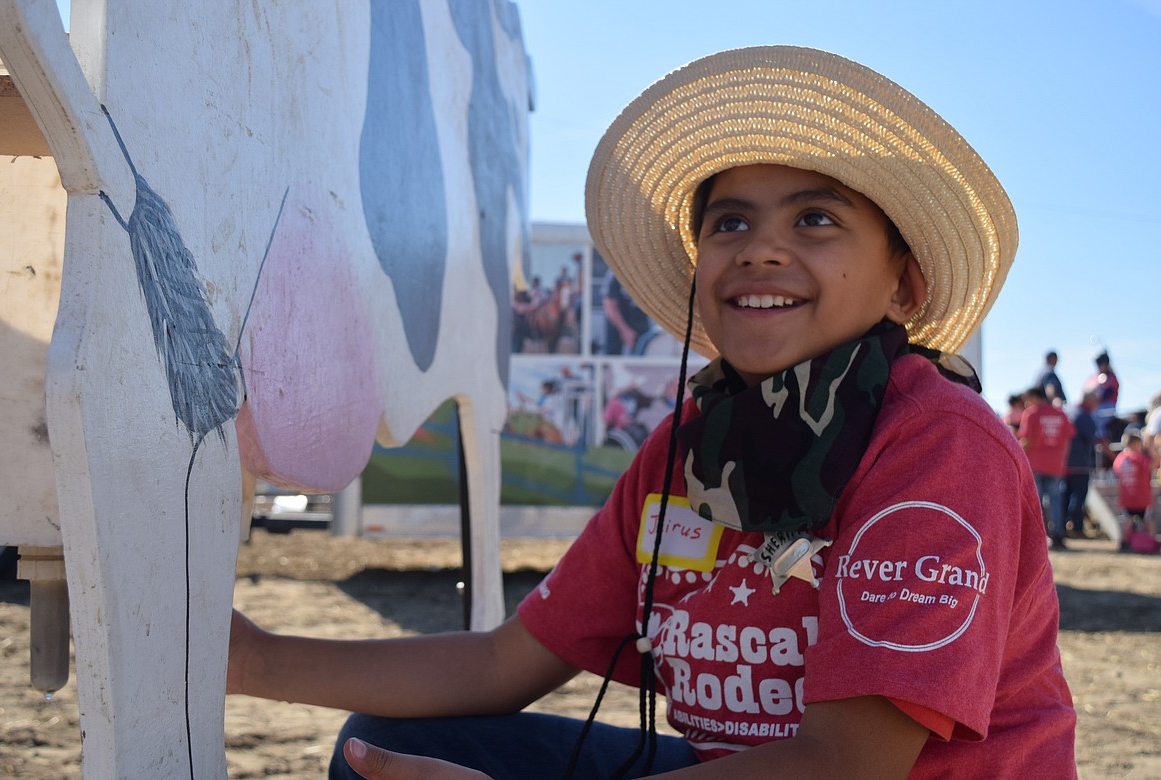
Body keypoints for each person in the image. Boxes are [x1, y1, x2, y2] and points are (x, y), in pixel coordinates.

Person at [227, 46, 1077, 778]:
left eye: (815, 218)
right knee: (377, 747)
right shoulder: (691, 443)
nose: (760, 247)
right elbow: (502, 661)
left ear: (904, 285)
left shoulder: (939, 442)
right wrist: (253, 657)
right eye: (729, 221)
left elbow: (844, 764)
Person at [1018, 386, 1076, 549]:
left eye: (1028, 400)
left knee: (1034, 502)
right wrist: (1062, 460)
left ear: (1034, 397)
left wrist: (1015, 450)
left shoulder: (1031, 414)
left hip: (1035, 464)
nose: (1027, 404)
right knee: (1055, 501)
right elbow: (1067, 440)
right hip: (1055, 464)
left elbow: (1027, 441)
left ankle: (1036, 537)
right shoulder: (1060, 414)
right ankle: (1057, 534)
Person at [1061, 391, 1104, 538]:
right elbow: (1096, 438)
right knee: (1078, 497)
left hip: (1065, 464)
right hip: (1080, 464)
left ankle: (1063, 527)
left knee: (1066, 496)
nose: (1097, 405)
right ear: (1089, 400)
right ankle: (1076, 528)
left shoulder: (1070, 412)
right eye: (1096, 401)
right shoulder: (1084, 415)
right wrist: (1111, 454)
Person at [1113, 430, 1158, 553]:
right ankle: (1152, 542)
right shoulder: (1139, 458)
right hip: (1142, 497)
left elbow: (1116, 473)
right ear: (1135, 444)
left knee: (1128, 519)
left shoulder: (1119, 459)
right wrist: (1153, 450)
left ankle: (1123, 542)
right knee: (1148, 519)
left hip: (1126, 496)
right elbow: (1153, 464)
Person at [1083, 352, 1120, 435]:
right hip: (1092, 407)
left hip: (1107, 407)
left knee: (1097, 419)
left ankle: (1100, 439)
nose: (1099, 367)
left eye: (1101, 364)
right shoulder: (1094, 378)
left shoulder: (1111, 377)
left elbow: (1105, 394)